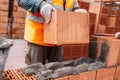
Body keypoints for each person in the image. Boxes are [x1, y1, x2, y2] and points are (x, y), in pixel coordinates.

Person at [16, 0, 87, 65]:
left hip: (58, 39)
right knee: (35, 74)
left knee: (56, 74)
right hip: (38, 38)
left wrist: (77, 11)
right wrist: (41, 5)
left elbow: (72, 5)